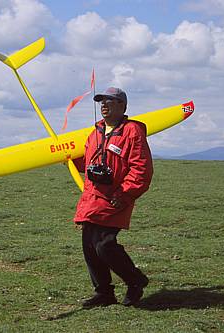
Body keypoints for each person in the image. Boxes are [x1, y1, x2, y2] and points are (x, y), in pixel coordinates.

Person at [72, 87, 153, 308]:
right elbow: (88, 162)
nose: (104, 105)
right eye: (101, 101)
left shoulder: (132, 132)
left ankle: (135, 281)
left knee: (104, 245)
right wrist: (67, 158)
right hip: (92, 197)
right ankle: (104, 293)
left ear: (123, 106)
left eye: (110, 101)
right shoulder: (95, 132)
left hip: (115, 198)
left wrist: (126, 193)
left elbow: (141, 170)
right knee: (89, 247)